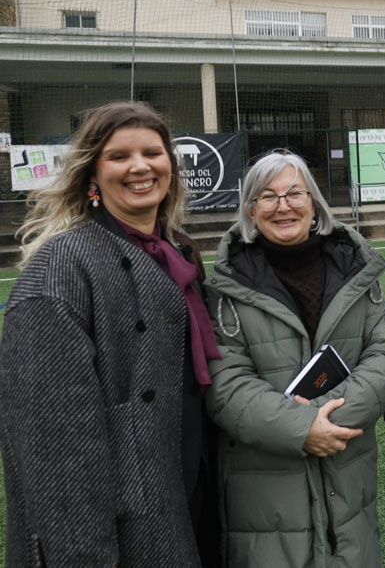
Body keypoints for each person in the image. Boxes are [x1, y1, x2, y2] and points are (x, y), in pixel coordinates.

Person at [0, 101, 220, 567]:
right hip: (127, 528)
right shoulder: (60, 272)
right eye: (119, 156)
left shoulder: (179, 255)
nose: (140, 166)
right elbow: (53, 451)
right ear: (91, 176)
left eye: (153, 153)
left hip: (193, 493)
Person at [204, 150, 385, 567]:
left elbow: (384, 354)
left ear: (314, 204)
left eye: (295, 193)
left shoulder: (356, 270)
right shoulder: (224, 286)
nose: (284, 206)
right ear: (251, 210)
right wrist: (301, 428)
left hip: (346, 464)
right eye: (268, 196)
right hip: (265, 487)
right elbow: (226, 385)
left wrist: (326, 423)